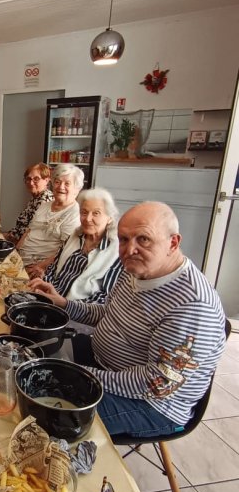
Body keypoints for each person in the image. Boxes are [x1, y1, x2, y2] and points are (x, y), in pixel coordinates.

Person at [55, 202, 226, 438]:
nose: (129, 249)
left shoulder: (192, 306)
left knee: (51, 415)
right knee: (35, 352)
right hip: (103, 362)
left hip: (152, 404)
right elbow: (109, 313)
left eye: (143, 239)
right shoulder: (136, 269)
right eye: (124, 240)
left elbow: (155, 384)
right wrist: (63, 304)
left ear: (173, 243)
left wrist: (77, 374)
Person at [28, 187, 122, 304]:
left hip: (77, 316)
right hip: (50, 300)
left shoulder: (117, 252)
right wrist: (45, 284)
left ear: (109, 218)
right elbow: (53, 269)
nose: (88, 219)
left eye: (96, 213)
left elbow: (105, 298)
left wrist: (64, 304)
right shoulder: (75, 236)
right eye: (84, 212)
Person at [18, 163, 83, 278]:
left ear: (77, 189)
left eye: (67, 183)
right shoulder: (45, 206)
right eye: (57, 182)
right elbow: (29, 231)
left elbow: (66, 250)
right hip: (20, 260)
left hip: (38, 267)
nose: (61, 187)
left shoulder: (74, 214)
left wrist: (41, 266)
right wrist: (15, 252)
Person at [3, 163, 53, 244]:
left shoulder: (45, 200)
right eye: (28, 179)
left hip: (26, 246)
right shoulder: (37, 197)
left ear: (46, 180)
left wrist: (7, 238)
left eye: (36, 179)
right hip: (15, 238)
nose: (31, 183)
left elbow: (31, 233)